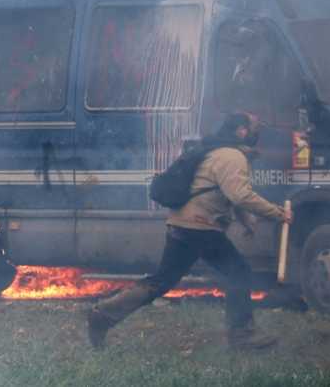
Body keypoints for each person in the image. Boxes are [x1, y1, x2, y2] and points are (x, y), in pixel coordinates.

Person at [86, 112, 292, 351]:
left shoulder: (216, 152)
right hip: (201, 227)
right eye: (256, 125)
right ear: (241, 131)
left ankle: (102, 316)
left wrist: (246, 221)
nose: (260, 131)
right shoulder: (232, 156)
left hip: (182, 225)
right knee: (239, 272)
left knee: (161, 282)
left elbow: (223, 193)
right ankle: (242, 336)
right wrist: (279, 213)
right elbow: (240, 195)